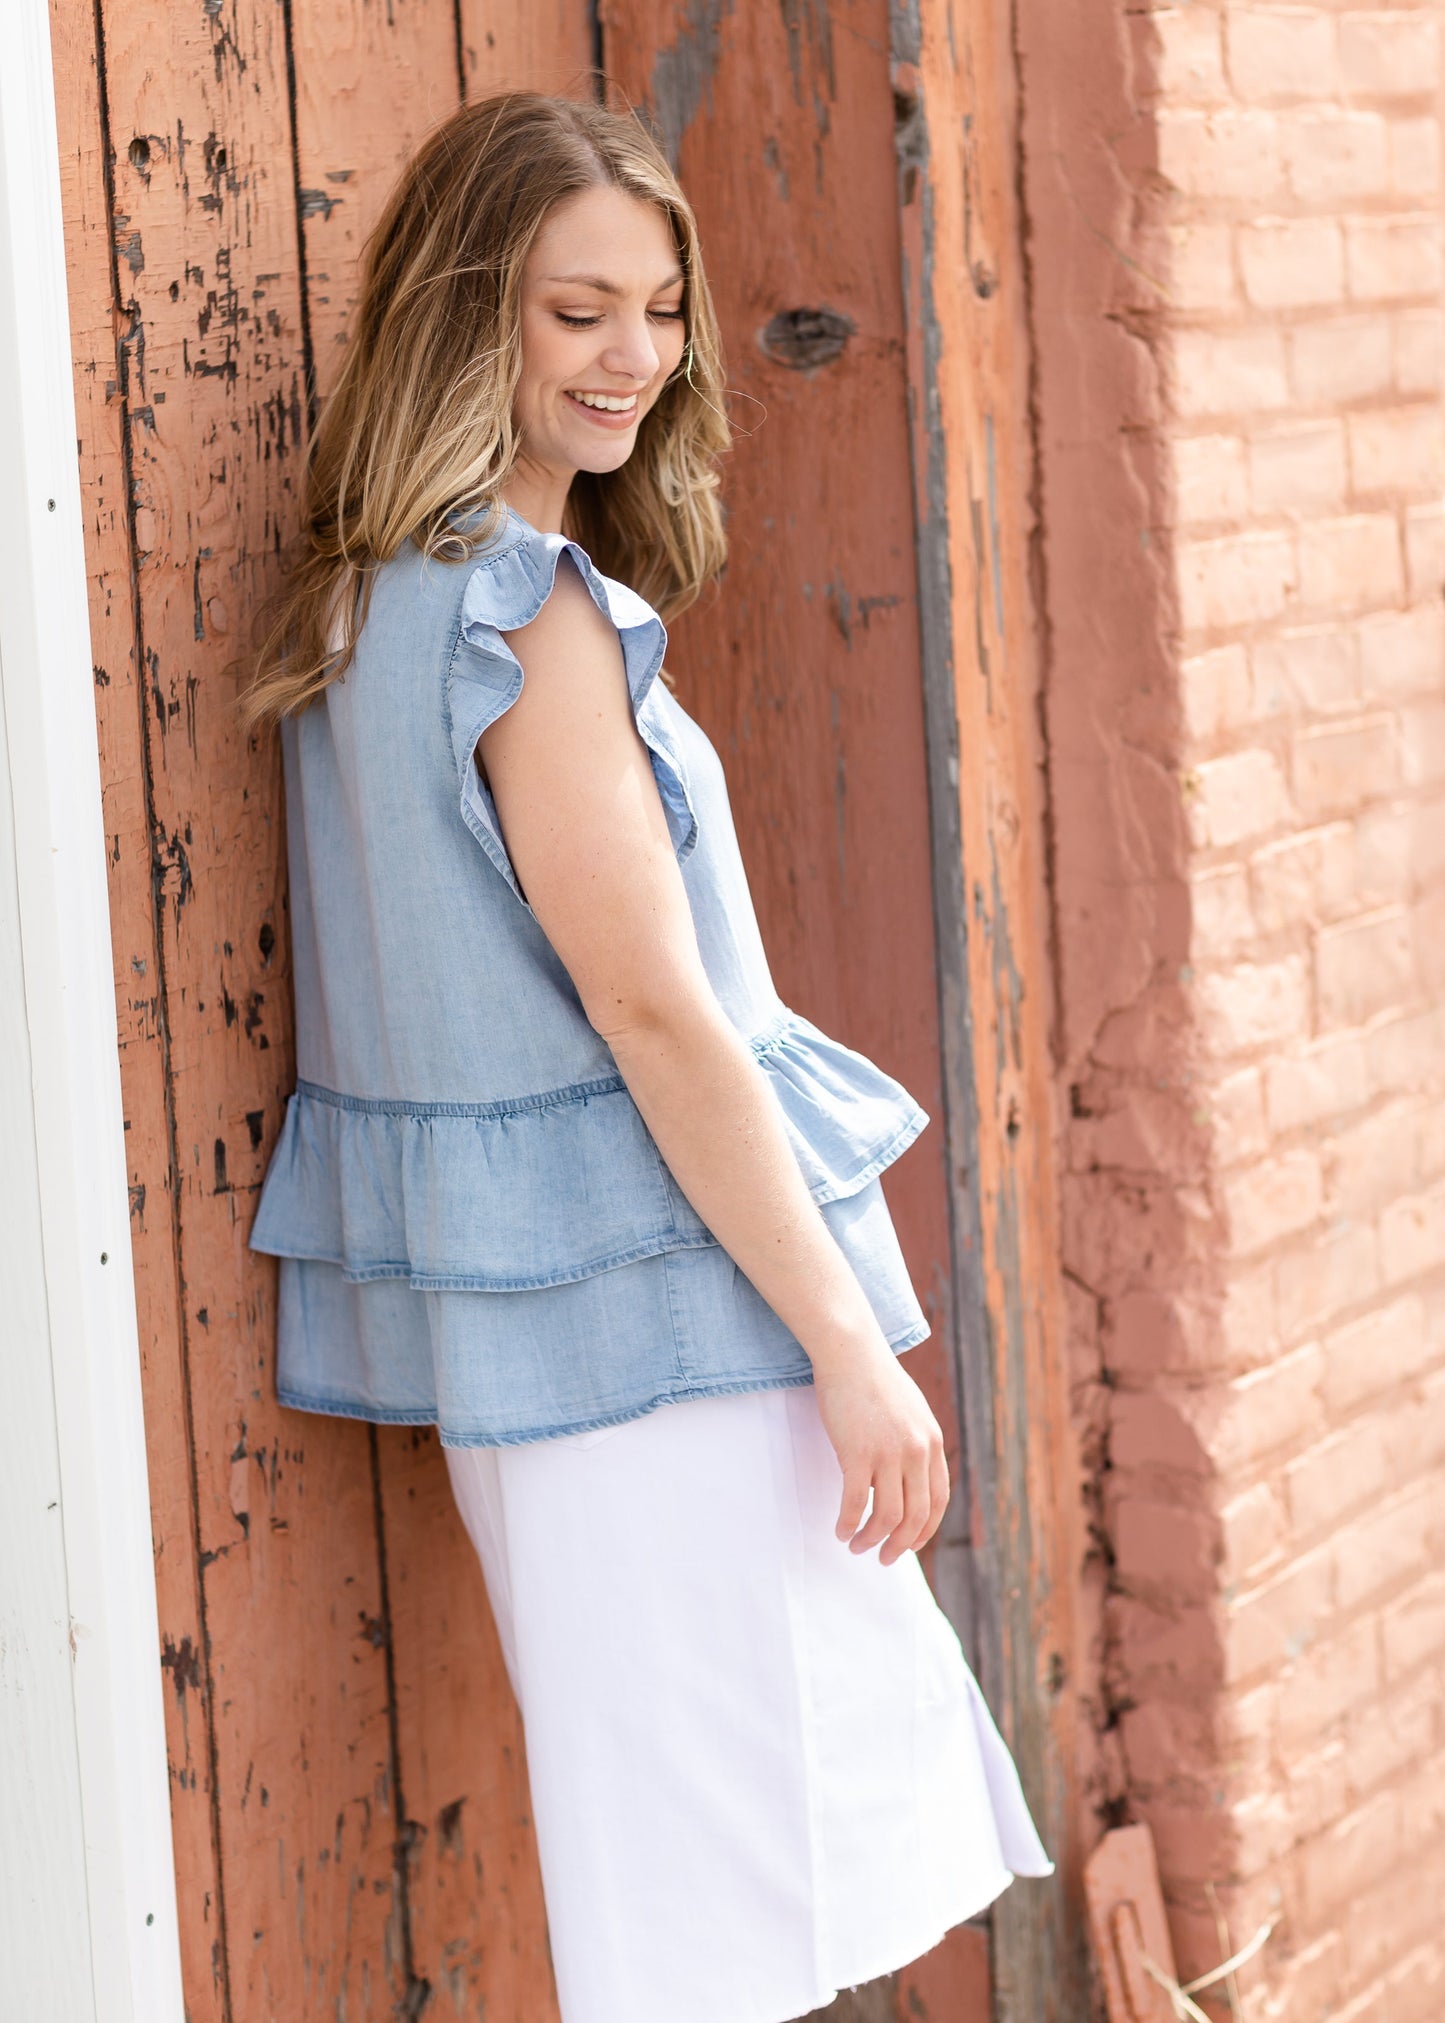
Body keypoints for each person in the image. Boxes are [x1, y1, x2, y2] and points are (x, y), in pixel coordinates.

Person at [243, 87, 1052, 2023]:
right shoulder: (524, 617)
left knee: (709, 1896)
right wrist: (855, 1353)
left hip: (552, 1349)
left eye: (662, 310)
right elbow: (656, 1010)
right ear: (469, 315)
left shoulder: (373, 601)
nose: (635, 359)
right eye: (575, 311)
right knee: (734, 1906)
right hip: (660, 1333)